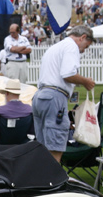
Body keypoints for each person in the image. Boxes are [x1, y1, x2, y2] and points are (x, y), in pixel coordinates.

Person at [31, 24, 95, 163]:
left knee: (43, 147)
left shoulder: (56, 47)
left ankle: (41, 180)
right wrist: (85, 81)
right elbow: (68, 74)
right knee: (55, 146)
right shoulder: (71, 47)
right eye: (86, 46)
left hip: (40, 96)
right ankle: (53, 181)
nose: (84, 50)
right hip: (55, 96)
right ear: (83, 37)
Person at [0, 78, 33, 144]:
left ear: (7, 93)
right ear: (19, 94)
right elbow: (33, 132)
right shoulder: (29, 110)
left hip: (2, 149)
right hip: (23, 149)